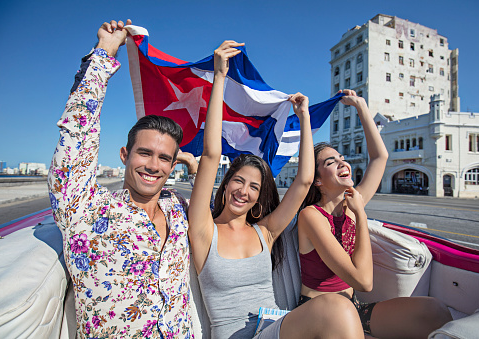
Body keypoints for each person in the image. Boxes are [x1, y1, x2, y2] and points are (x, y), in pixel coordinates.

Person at [187, 41, 364, 338]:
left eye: (254, 187)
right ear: (226, 184)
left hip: (275, 329)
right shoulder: (204, 229)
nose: (244, 191)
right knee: (339, 308)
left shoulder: (265, 232)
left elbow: (305, 181)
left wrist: (304, 117)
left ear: (258, 198)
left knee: (339, 311)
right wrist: (219, 77)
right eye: (238, 181)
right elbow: (210, 155)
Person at [48, 20, 198, 338]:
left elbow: (211, 214)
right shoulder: (86, 210)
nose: (153, 165)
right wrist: (105, 52)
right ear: (124, 155)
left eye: (164, 158)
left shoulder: (178, 209)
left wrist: (191, 165)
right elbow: (77, 133)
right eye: (144, 153)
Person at [296, 89, 453, 338]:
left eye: (341, 158)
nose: (342, 162)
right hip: (319, 312)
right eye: (330, 162)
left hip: (353, 307)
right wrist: (361, 216)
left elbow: (380, 157)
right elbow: (364, 281)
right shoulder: (311, 216)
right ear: (316, 181)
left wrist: (360, 106)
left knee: (435, 311)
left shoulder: (352, 203)